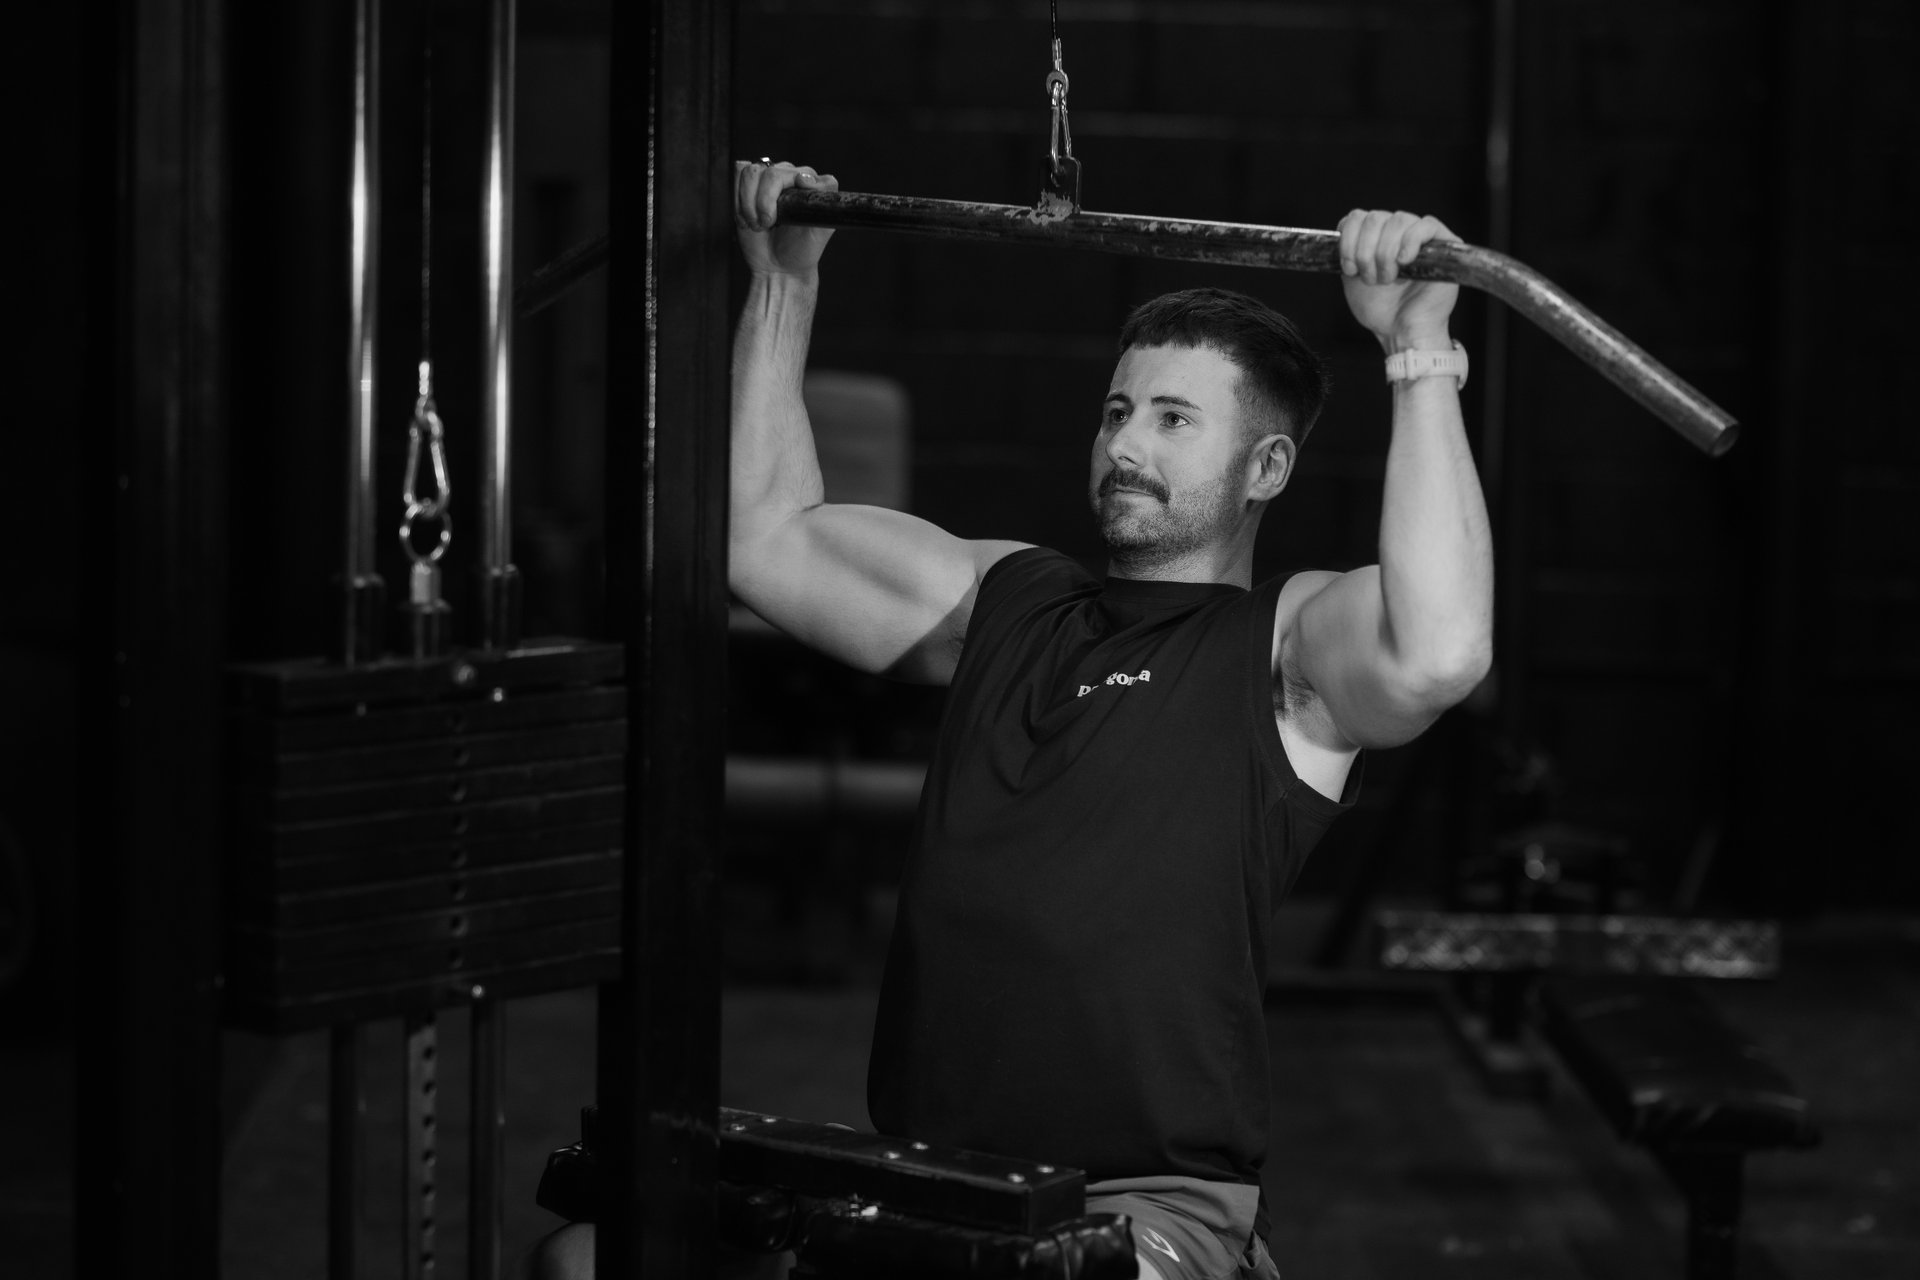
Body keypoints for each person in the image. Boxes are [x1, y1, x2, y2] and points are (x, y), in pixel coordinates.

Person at [528, 159, 1493, 1280]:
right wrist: (785, 282)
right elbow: (761, 542)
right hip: (930, 1181)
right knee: (586, 1260)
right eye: (1118, 410)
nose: (1127, 442)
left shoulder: (1283, 653)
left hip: (1143, 1210)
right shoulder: (1011, 596)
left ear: (1265, 465)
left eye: (1176, 419)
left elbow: (1441, 649)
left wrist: (1418, 352)